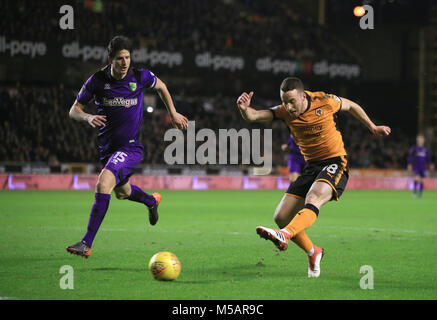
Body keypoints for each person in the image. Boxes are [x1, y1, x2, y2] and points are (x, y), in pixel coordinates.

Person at [236, 77, 391, 278]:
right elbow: (254, 116)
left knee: (314, 197)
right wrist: (244, 109)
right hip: (312, 167)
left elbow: (351, 105)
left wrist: (372, 126)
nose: (288, 107)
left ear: (303, 95)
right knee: (281, 217)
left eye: (292, 101)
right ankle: (313, 251)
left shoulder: (324, 101)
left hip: (335, 162)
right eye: (284, 101)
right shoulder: (284, 111)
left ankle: (285, 234)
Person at [66, 36, 188, 258]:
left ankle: (86, 243)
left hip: (130, 148)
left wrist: (172, 112)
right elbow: (74, 109)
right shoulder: (97, 80)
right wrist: (87, 117)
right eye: (120, 59)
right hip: (107, 149)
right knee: (122, 192)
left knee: (103, 184)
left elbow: (161, 86)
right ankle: (151, 201)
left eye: (128, 58)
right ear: (110, 58)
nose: (124, 63)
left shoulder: (139, 76)